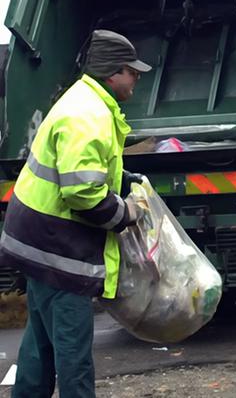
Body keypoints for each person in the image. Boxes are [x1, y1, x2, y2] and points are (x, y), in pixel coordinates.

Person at [0, 29, 152, 398]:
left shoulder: (84, 100)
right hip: (58, 249)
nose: (136, 78)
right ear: (112, 73)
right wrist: (127, 212)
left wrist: (124, 179)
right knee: (73, 353)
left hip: (36, 241)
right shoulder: (89, 115)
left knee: (40, 344)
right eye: (132, 71)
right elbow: (83, 192)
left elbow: (83, 171)